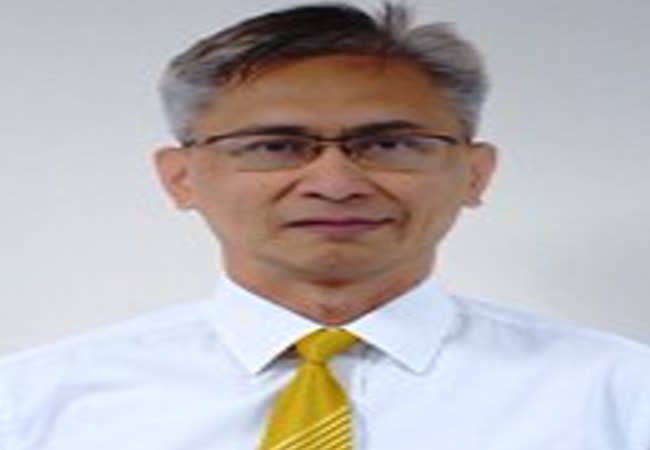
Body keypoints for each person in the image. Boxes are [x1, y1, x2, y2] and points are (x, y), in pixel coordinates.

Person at [1, 3, 649, 449]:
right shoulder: (33, 402)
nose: (335, 182)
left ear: (475, 174)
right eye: (275, 145)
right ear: (181, 179)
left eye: (390, 144)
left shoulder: (618, 394)